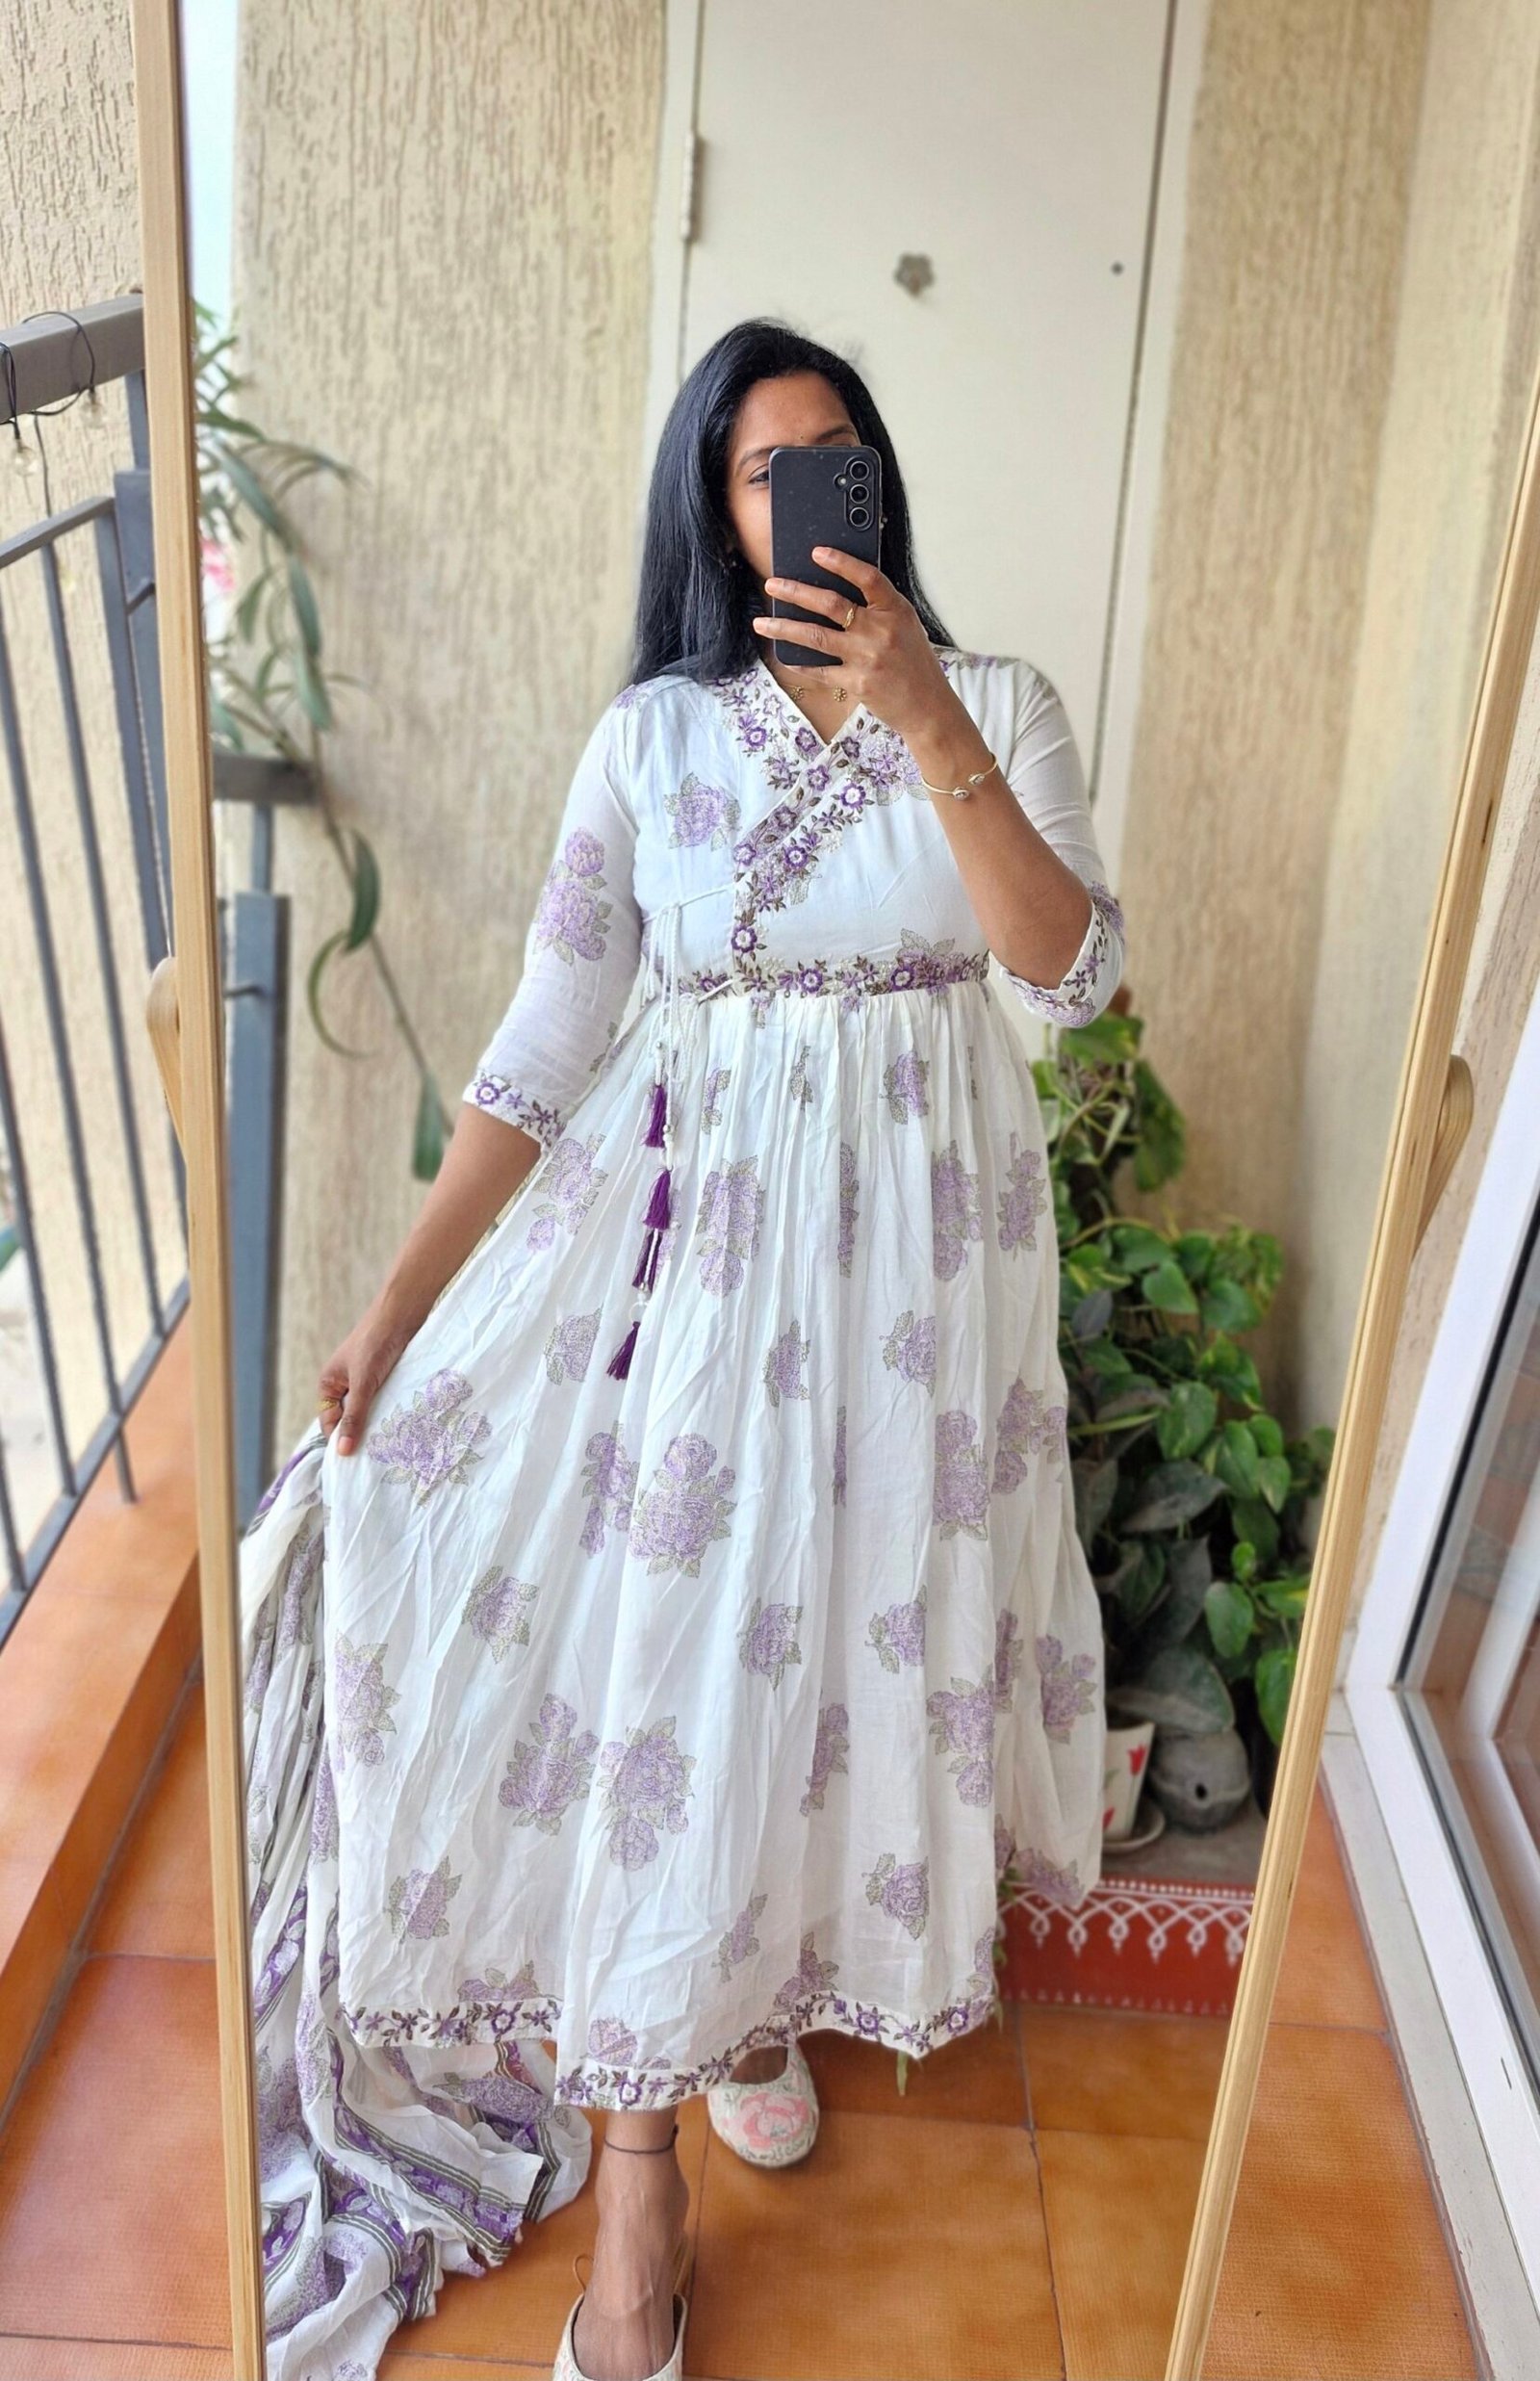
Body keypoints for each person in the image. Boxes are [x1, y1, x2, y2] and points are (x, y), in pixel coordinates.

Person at [240, 318, 1123, 2381]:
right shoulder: (653, 741)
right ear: (717, 516)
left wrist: (925, 717)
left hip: (920, 1297)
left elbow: (1070, 977)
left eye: (839, 454)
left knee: (843, 1648)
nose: (811, 492)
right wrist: (395, 1306)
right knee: (681, 1663)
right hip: (707, 1293)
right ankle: (637, 2183)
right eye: (763, 468)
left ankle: (749, 2007)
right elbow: (545, 1040)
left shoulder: (999, 700)